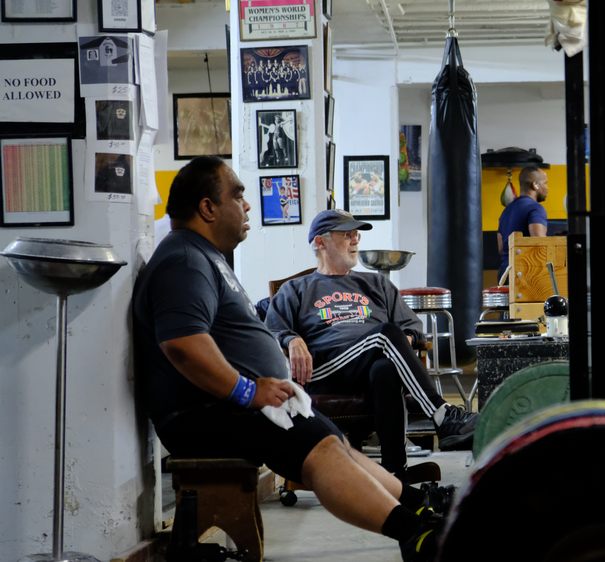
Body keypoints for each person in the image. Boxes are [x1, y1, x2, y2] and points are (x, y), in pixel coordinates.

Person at [131, 157, 442, 561]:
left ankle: (418, 503)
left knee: (338, 443)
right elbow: (183, 345)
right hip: (204, 413)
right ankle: (417, 534)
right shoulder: (184, 260)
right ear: (207, 208)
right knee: (323, 451)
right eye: (238, 195)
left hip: (234, 405)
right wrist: (248, 391)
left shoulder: (203, 257)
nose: (247, 206)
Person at [265, 209, 478, 478]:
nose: (355, 240)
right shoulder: (296, 289)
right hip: (325, 368)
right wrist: (292, 339)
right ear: (320, 242)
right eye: (346, 235)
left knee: (386, 369)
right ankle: (443, 416)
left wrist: (403, 343)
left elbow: (412, 327)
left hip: (371, 363)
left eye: (356, 234)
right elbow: (270, 330)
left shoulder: (376, 283)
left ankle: (394, 470)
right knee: (384, 334)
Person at [496, 166, 549, 281]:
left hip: (504, 275)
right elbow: (539, 241)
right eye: (545, 183)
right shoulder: (535, 208)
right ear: (535, 185)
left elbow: (501, 248)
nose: (547, 188)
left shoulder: (506, 211)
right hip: (523, 275)